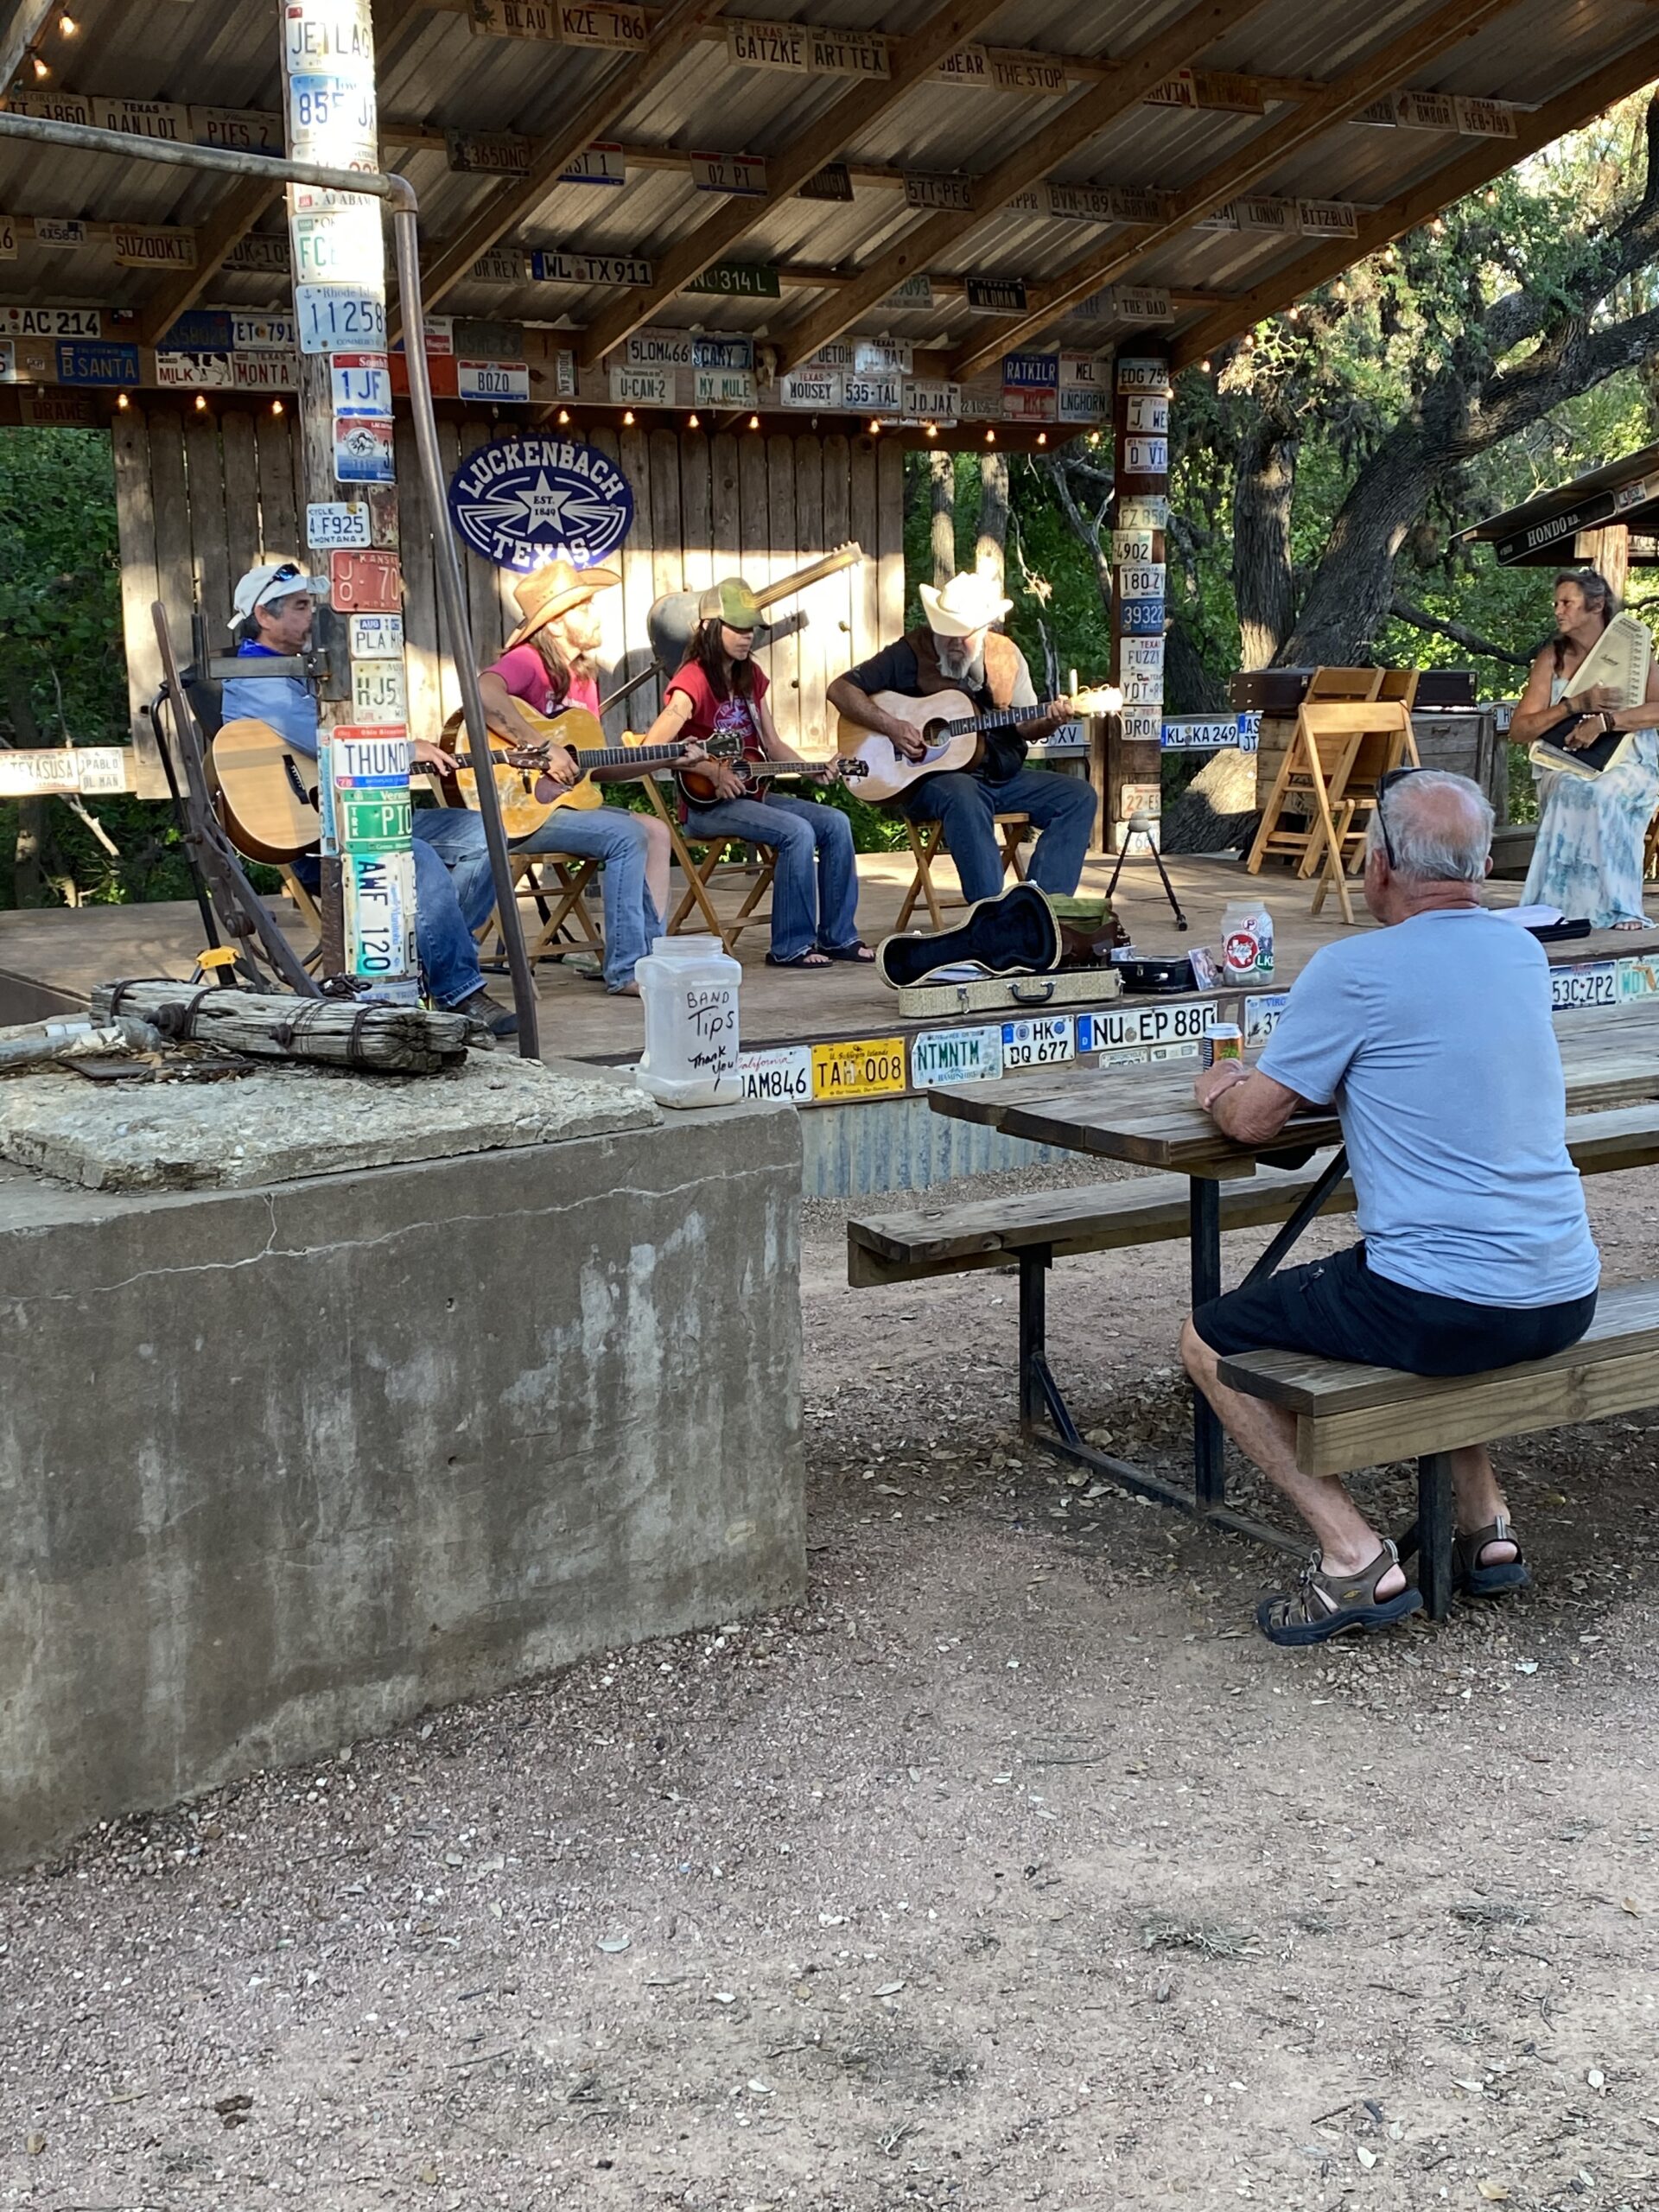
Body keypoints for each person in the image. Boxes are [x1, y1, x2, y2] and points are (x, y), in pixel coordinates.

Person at [1178, 770, 1599, 1648]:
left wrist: (1218, 1085)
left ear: (1377, 869)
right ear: (1479, 868)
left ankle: (1353, 1555)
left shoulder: (1354, 969)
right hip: (1564, 1287)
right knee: (1436, 1298)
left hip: (1448, 1303)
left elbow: (1259, 1122)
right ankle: (1487, 1526)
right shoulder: (1520, 952)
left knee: (1209, 1341)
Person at [219, 562, 515, 1035]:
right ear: (265, 615)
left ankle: (426, 960)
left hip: (366, 815)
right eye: (300, 606)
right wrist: (404, 748)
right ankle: (461, 992)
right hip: (316, 834)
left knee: (490, 832)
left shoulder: (303, 669)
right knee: (410, 854)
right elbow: (326, 737)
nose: (312, 614)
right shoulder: (256, 675)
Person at [479, 559, 696, 995]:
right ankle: (625, 969)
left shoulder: (583, 680)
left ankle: (649, 956)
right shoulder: (529, 661)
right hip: (517, 810)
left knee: (655, 832)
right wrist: (541, 747)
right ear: (555, 625)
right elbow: (483, 693)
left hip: (563, 805)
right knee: (624, 836)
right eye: (584, 607)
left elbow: (593, 767)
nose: (595, 616)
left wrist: (665, 759)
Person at [826, 569, 1096, 905]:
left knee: (1078, 795)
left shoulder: (1005, 657)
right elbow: (840, 689)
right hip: (929, 783)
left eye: (963, 634)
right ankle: (990, 915)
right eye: (946, 631)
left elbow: (1026, 726)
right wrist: (892, 727)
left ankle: (1044, 908)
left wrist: (1051, 721)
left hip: (999, 776)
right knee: (963, 792)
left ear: (984, 629)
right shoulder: (910, 652)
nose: (953, 641)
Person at [639, 580, 870, 969]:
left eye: (751, 630)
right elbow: (655, 748)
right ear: (709, 628)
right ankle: (791, 945)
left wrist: (810, 769)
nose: (747, 638)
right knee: (796, 832)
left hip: (752, 795)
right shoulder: (692, 679)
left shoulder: (751, 678)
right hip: (707, 807)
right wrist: (711, 770)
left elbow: (772, 743)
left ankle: (838, 936)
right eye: (738, 629)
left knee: (836, 822)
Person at [1511, 569, 1659, 930]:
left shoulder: (1634, 650)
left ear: (1595, 605)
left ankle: (1619, 907)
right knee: (1569, 788)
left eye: (1567, 603)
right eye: (1556, 603)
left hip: (1632, 761)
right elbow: (1519, 730)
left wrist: (1606, 722)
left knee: (1605, 793)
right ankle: (1555, 908)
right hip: (1567, 763)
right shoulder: (1553, 658)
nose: (1558, 611)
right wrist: (1572, 705)